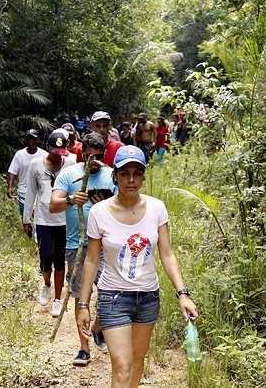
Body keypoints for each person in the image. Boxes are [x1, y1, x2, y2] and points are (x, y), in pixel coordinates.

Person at [77, 145, 198, 387]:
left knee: (137, 362)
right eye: (124, 173)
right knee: (122, 366)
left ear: (143, 175)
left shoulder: (157, 208)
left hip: (147, 297)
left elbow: (167, 253)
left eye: (137, 173)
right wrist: (83, 304)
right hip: (113, 298)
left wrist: (183, 294)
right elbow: (91, 260)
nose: (131, 179)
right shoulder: (99, 212)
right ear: (115, 175)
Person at [50, 132, 117, 366]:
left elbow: (125, 208)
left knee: (109, 294)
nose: (93, 162)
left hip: (107, 245)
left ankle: (99, 326)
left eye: (98, 157)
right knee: (82, 296)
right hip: (76, 245)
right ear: (82, 155)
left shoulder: (112, 176)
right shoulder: (69, 174)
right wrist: (71, 200)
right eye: (89, 157)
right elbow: (53, 205)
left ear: (104, 155)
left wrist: (106, 206)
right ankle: (84, 348)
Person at [24, 131, 75, 317]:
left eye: (60, 152)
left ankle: (58, 299)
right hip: (43, 219)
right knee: (46, 258)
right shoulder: (36, 165)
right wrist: (26, 218)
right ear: (47, 147)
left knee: (60, 259)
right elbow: (30, 192)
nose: (56, 155)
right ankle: (46, 284)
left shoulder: (70, 165)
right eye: (54, 151)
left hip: (64, 220)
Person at [7, 129, 47, 237]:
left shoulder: (44, 154)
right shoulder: (19, 154)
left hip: (40, 190)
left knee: (37, 215)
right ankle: (30, 237)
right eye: (29, 139)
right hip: (24, 190)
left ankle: (38, 238)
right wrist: (10, 188)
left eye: (33, 139)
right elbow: (13, 171)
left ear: (37, 140)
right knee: (25, 216)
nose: (31, 142)